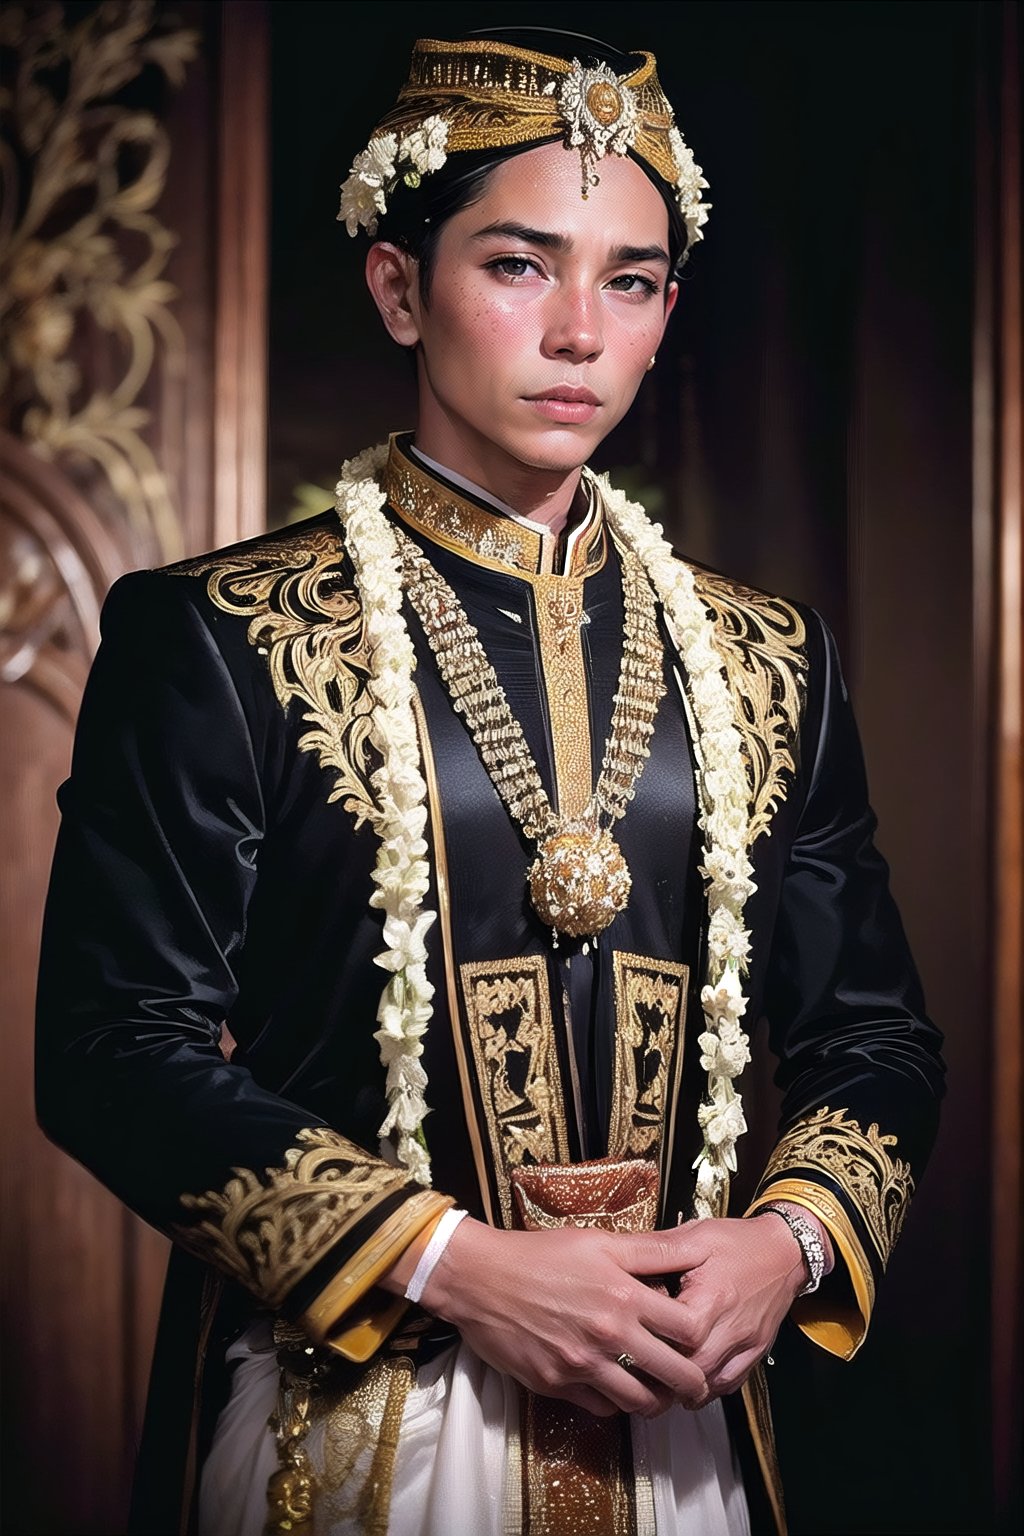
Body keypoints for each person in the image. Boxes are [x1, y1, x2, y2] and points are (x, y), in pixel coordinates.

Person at [36, 27, 945, 1536]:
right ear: (401, 287)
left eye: (632, 281)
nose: (580, 331)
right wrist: (453, 1262)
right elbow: (111, 1047)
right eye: (521, 266)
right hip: (358, 1413)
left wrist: (786, 1245)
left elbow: (874, 1037)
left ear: (667, 311)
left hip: (682, 1422)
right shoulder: (225, 633)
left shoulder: (767, 656)